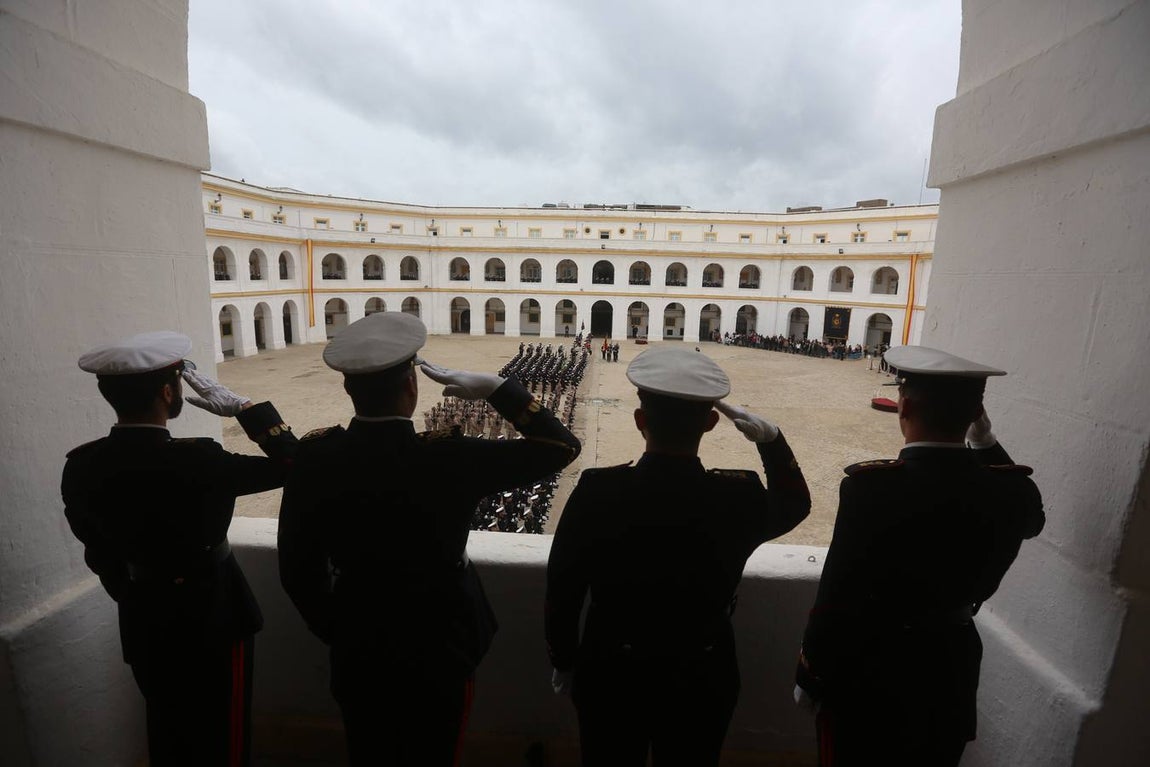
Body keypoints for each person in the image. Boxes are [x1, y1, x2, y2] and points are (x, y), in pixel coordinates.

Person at [278, 312, 580, 765]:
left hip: (359, 639)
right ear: (412, 387)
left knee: (368, 749)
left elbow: (297, 570)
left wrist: (341, 628)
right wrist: (501, 390)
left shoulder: (316, 457)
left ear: (347, 388)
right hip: (442, 637)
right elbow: (561, 448)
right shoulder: (449, 457)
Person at [545, 345, 811, 766]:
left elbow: (563, 586)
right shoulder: (737, 499)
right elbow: (795, 504)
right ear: (710, 423)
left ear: (640, 420)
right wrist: (773, 442)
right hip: (701, 670)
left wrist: (563, 657)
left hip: (612, 668)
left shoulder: (598, 492)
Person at [794, 346, 1045, 767]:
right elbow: (1033, 519)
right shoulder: (1012, 492)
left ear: (904, 405)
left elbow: (837, 593)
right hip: (951, 665)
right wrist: (986, 444)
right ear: (976, 414)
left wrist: (812, 672)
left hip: (871, 667)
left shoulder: (871, 488)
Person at [62, 331, 298, 766]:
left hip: (144, 615)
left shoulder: (82, 464)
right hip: (215, 611)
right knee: (223, 734)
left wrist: (137, 592)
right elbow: (294, 467)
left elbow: (95, 549)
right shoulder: (202, 459)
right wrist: (247, 410)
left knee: (168, 729)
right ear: (170, 391)